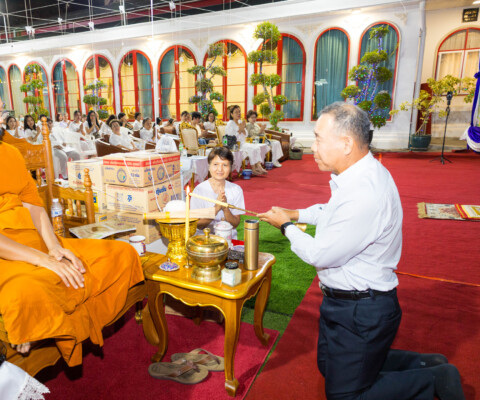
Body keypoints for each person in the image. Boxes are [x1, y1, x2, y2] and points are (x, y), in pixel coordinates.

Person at [0, 74, 144, 364]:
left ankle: (56, 319)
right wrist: (42, 260)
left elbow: (33, 205)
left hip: (33, 240)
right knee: (27, 292)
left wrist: (53, 248)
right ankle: (34, 323)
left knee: (120, 253)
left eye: (1, 111)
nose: (0, 120)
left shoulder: (6, 152)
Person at [258, 102, 464, 400]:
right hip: (347, 301)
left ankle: (433, 380)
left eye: (318, 138)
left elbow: (319, 254)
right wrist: (296, 214)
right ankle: (423, 365)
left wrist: (285, 226)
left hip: (362, 308)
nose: (312, 147)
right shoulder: (357, 174)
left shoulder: (365, 192)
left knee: (345, 395)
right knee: (329, 366)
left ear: (346, 144)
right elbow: (331, 212)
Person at [190, 147, 244, 239]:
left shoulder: (236, 190)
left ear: (230, 167)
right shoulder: (199, 190)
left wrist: (225, 208)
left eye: (225, 165)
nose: (220, 169)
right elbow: (197, 225)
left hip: (228, 239)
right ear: (209, 166)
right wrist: (216, 208)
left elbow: (235, 224)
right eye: (215, 164)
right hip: (204, 240)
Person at [226, 105, 267, 176]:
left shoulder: (240, 121)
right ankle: (254, 169)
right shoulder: (230, 124)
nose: (238, 113)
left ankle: (258, 166)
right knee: (252, 148)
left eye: (239, 112)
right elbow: (231, 138)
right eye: (236, 112)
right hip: (236, 145)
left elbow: (246, 134)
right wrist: (240, 130)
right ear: (231, 114)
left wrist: (243, 130)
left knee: (256, 147)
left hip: (243, 143)